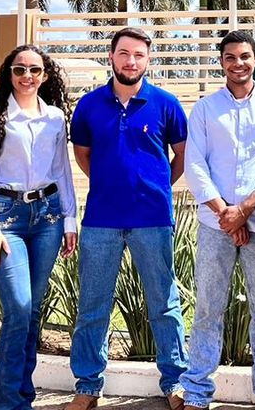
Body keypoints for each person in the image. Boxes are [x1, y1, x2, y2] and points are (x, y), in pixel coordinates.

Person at [66, 27, 189, 410]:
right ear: (112, 56)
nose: (130, 61)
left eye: (138, 55)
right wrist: (110, 184)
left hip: (153, 219)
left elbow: (181, 156)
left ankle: (176, 382)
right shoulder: (88, 105)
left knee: (164, 303)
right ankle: (88, 385)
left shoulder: (166, 104)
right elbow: (83, 155)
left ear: (148, 60)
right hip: (101, 220)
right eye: (124, 53)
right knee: (93, 306)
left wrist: (154, 187)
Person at [180, 31, 255, 410]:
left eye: (245, 56)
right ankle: (196, 391)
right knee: (209, 308)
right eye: (230, 57)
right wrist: (225, 212)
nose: (238, 63)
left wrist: (245, 208)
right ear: (222, 62)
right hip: (215, 225)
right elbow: (195, 164)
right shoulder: (206, 109)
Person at [0, 44, 79, 410]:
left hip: (47, 216)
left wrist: (69, 219)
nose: (27, 77)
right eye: (20, 70)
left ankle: (22, 398)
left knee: (32, 311)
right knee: (17, 305)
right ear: (8, 75)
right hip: (7, 218)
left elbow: (62, 169)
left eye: (34, 70)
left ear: (44, 75)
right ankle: (7, 403)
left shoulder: (55, 119)